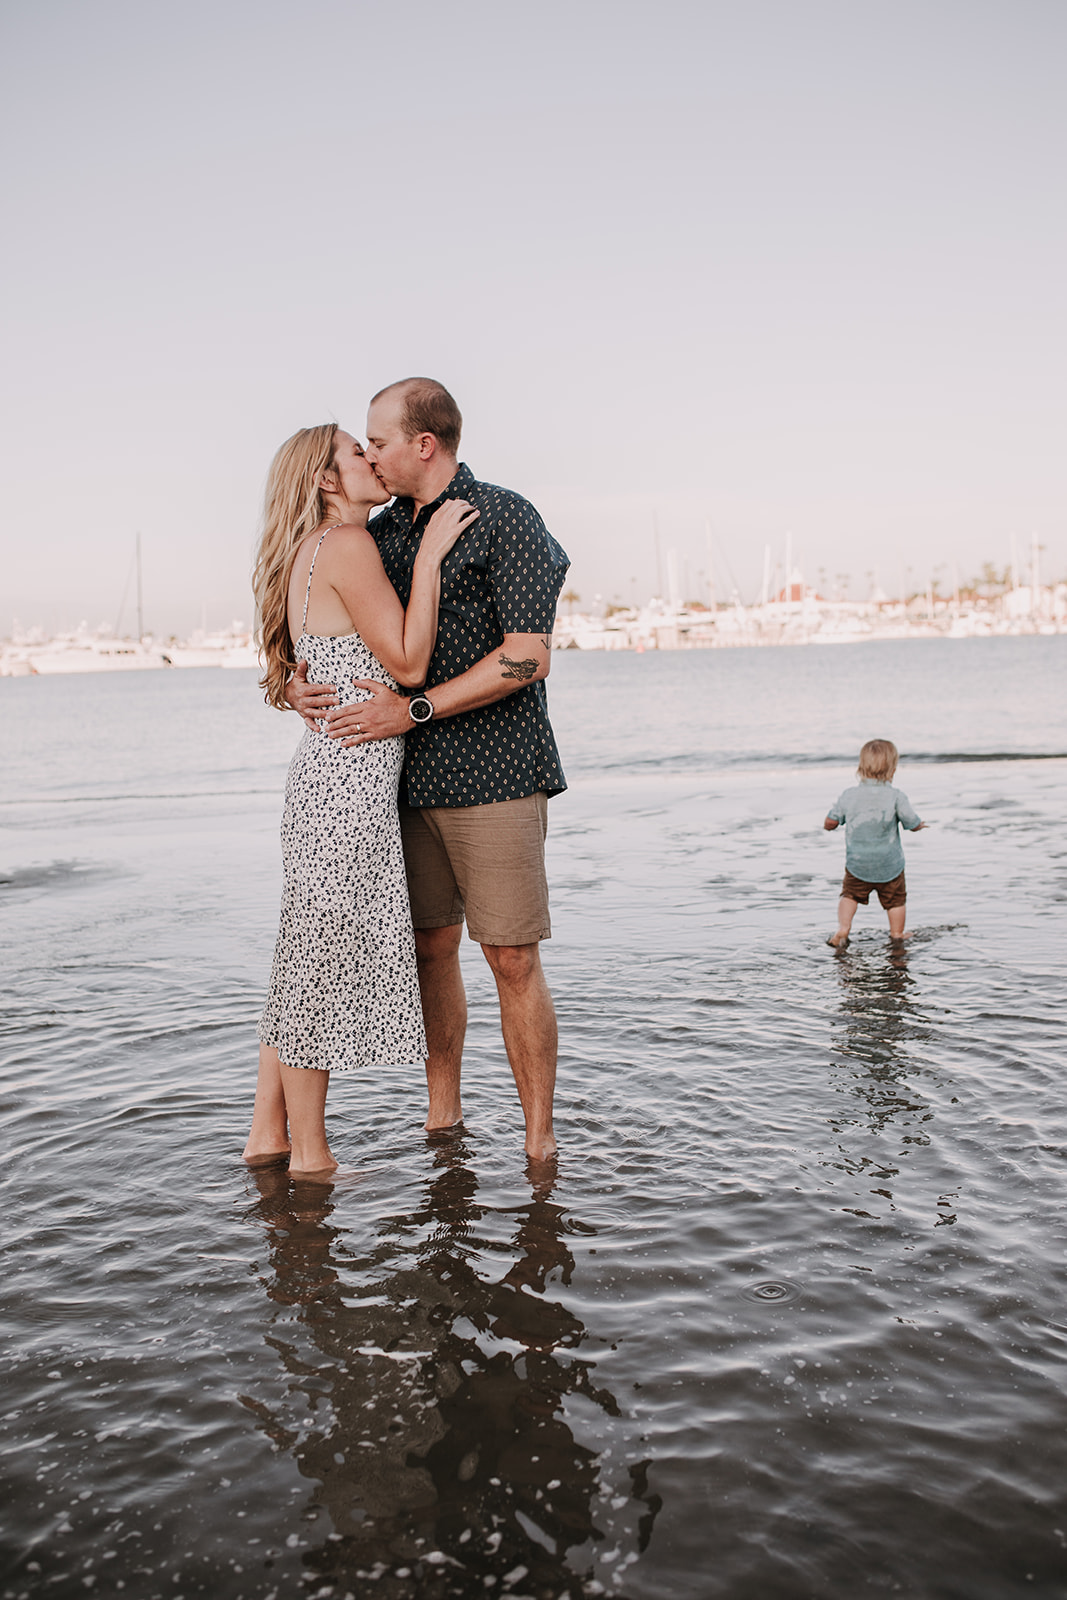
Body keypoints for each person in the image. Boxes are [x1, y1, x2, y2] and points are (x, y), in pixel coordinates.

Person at [287, 379, 569, 1162]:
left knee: (510, 956)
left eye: (378, 440)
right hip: (398, 785)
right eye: (362, 445)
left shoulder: (505, 515)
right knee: (427, 952)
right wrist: (292, 684)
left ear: (424, 444)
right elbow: (323, 621)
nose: (369, 452)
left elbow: (527, 656)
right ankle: (441, 1118)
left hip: (496, 773)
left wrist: (411, 710)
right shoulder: (375, 534)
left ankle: (538, 1143)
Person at [243, 422, 478, 1177]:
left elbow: (303, 667)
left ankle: (267, 1134)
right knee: (316, 967)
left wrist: (290, 687)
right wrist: (434, 556)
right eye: (355, 451)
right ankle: (310, 1155)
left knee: (301, 958)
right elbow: (407, 663)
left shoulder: (306, 553)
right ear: (323, 477)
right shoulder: (346, 545)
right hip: (347, 781)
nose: (371, 459)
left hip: (324, 775)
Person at [823, 738, 926, 948]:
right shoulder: (896, 796)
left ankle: (843, 928)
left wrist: (830, 824)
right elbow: (910, 821)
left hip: (858, 864)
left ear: (861, 767)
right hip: (890, 865)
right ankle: (897, 933)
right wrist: (918, 825)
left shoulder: (849, 795)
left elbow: (831, 821)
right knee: (896, 900)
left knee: (850, 895)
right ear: (893, 768)